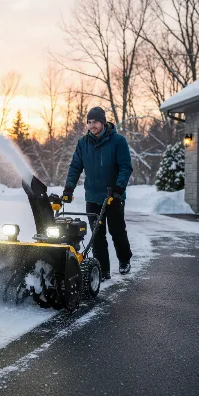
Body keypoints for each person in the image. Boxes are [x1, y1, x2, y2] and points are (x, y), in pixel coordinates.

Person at [62, 106, 133, 281]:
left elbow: (125, 167)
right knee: (97, 235)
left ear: (103, 122)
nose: (92, 126)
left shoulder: (118, 141)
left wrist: (119, 188)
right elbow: (75, 167)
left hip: (113, 196)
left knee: (117, 231)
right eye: (89, 122)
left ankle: (124, 260)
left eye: (95, 122)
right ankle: (102, 270)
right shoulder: (83, 143)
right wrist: (69, 188)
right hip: (92, 197)